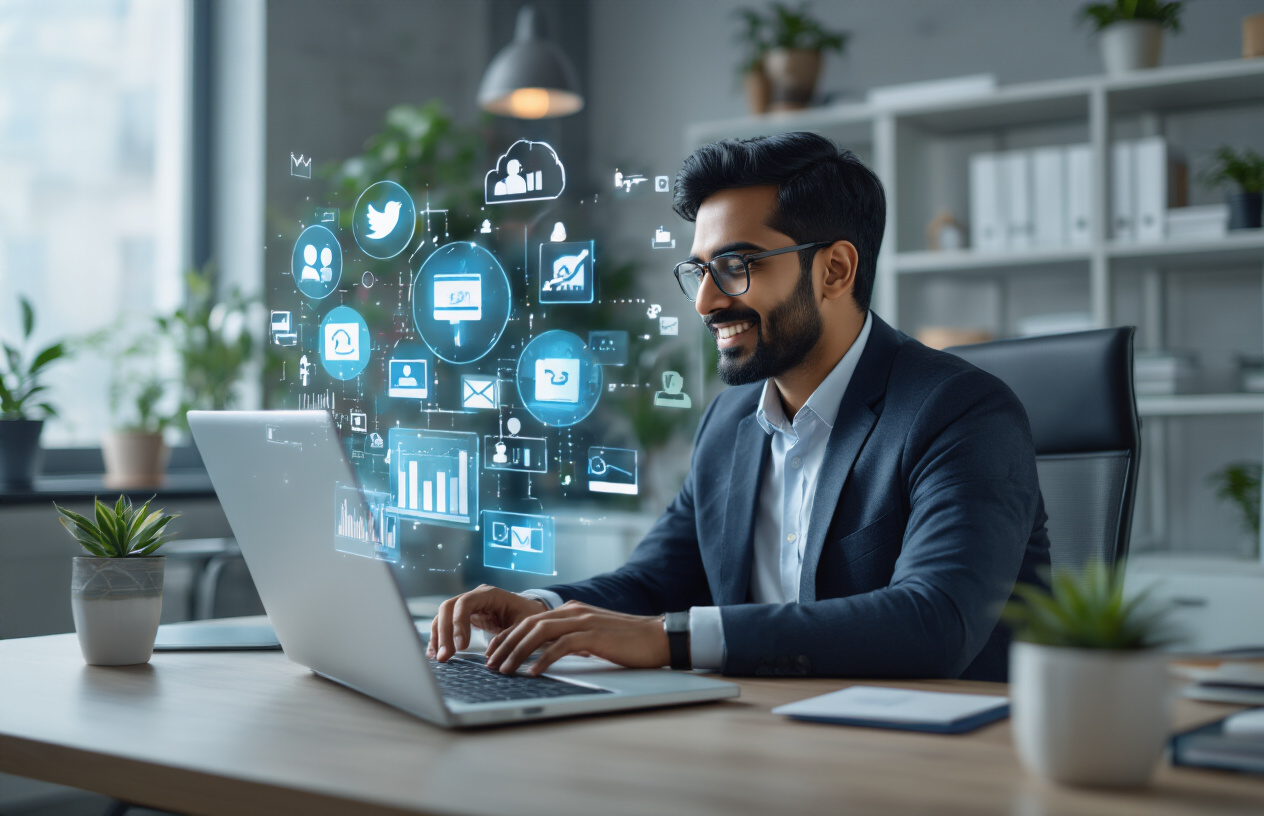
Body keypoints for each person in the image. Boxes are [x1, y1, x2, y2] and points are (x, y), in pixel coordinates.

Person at [430, 132, 1050, 682]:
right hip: (765, 737)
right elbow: (654, 582)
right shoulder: (729, 424)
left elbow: (933, 621)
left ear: (834, 270)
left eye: (735, 266)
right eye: (699, 270)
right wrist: (541, 608)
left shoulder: (960, 412)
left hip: (929, 763)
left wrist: (669, 640)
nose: (705, 302)